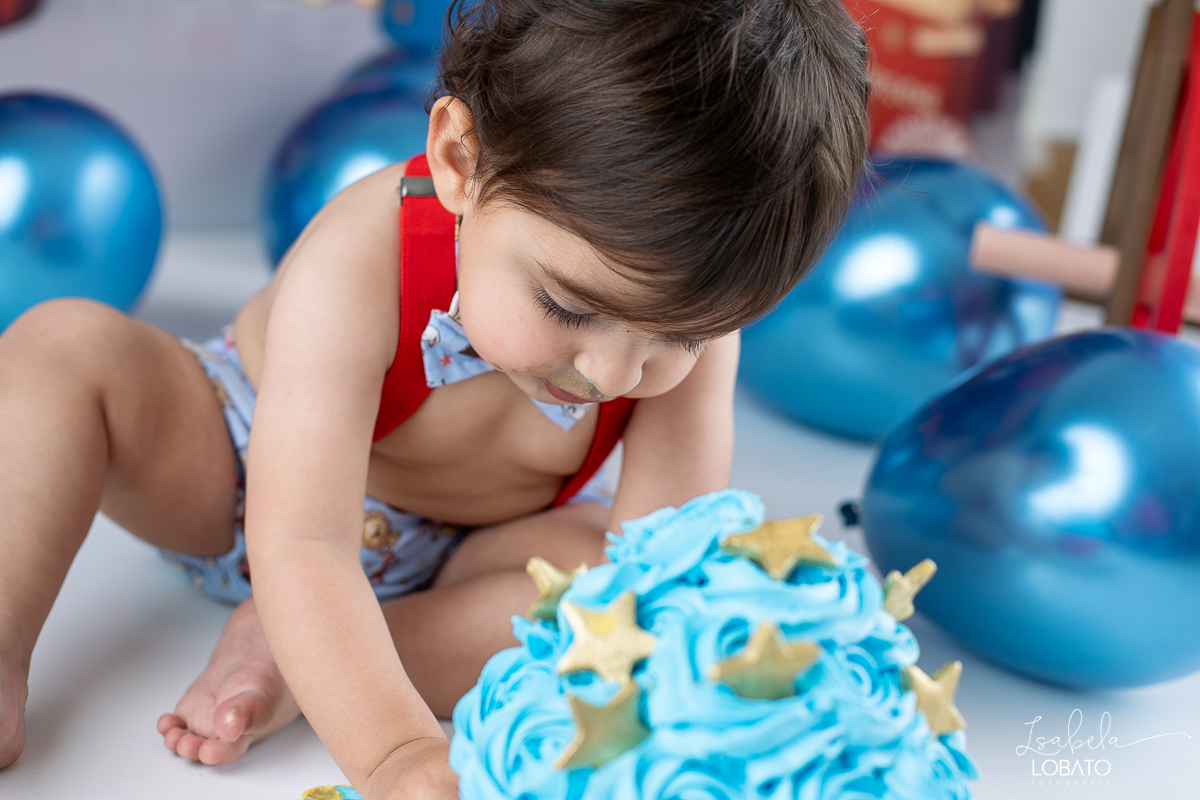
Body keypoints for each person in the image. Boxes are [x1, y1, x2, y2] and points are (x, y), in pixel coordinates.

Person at [0, 0, 869, 796]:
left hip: (470, 556)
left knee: (603, 601)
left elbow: (661, 565)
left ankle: (314, 655)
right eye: (570, 307)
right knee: (64, 348)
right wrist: (397, 755)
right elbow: (301, 538)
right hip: (243, 478)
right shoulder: (363, 251)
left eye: (677, 340)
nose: (611, 376)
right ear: (460, 160)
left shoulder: (697, 307)